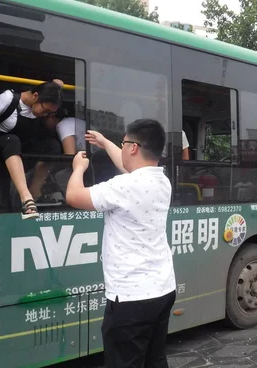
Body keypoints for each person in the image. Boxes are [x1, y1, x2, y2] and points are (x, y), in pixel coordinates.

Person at [66, 119, 176, 368]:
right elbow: (130, 169)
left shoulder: (123, 187)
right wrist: (105, 143)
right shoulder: (161, 181)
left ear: (134, 147)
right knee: (155, 360)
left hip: (130, 298)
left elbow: (73, 196)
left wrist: (78, 168)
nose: (122, 148)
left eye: (123, 143)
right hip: (162, 288)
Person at [0, 79, 63, 219]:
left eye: (49, 114)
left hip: (21, 148)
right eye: (45, 111)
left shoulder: (38, 111)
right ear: (35, 96)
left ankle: (34, 192)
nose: (44, 115)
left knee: (53, 146)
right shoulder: (8, 98)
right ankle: (25, 197)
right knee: (12, 140)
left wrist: (56, 86)